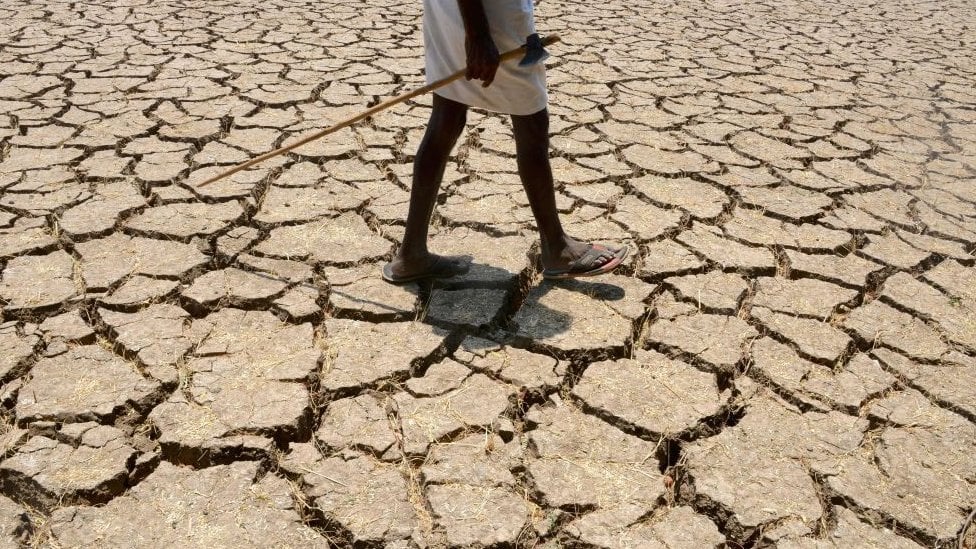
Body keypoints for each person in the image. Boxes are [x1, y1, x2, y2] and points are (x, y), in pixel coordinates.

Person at [382, 0, 628, 283]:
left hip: (451, 11)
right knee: (532, 120)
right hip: (490, 17)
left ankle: (412, 253)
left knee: (447, 117)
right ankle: (557, 247)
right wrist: (478, 35)